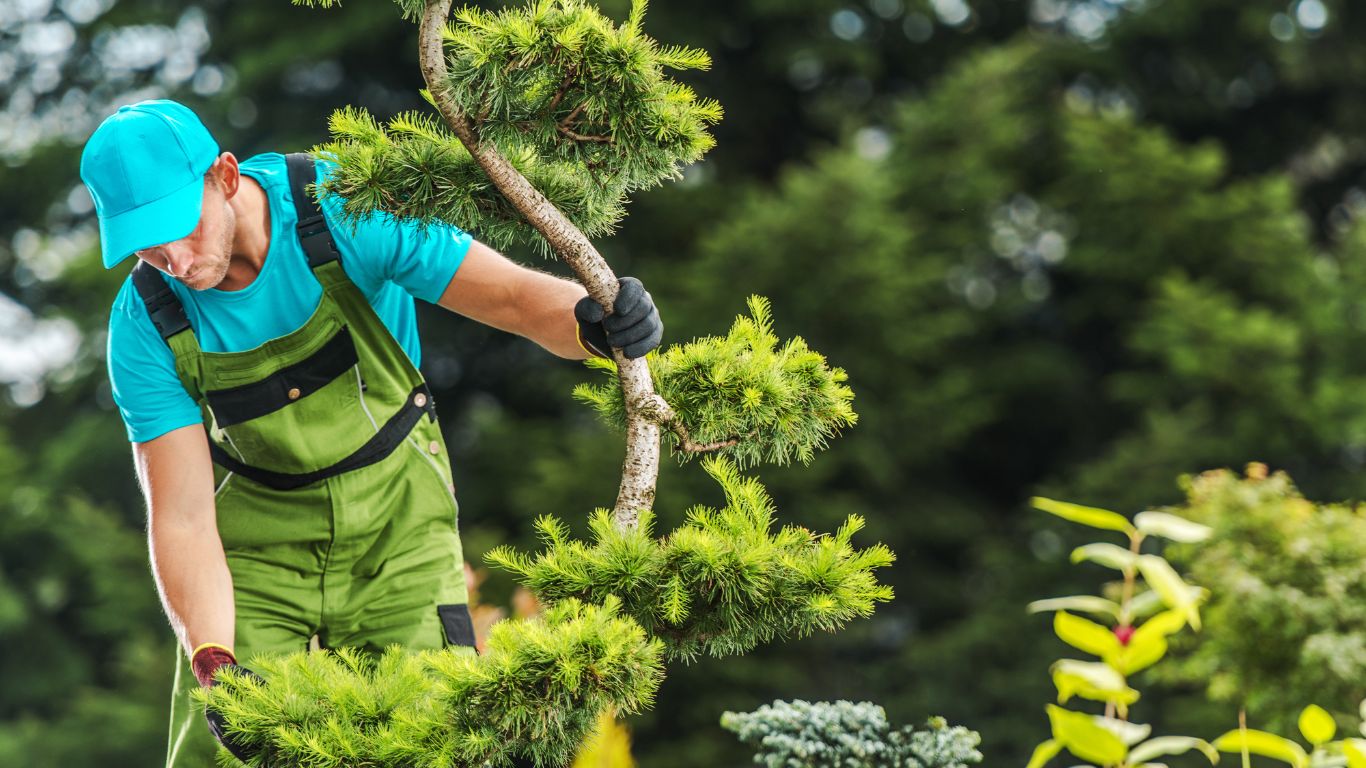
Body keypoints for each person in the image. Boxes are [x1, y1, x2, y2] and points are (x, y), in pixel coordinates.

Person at [79, 99, 662, 767]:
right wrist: (213, 660)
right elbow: (181, 518)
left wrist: (595, 322)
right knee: (225, 748)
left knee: (439, 739)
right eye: (148, 246)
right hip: (261, 561)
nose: (175, 260)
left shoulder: (343, 206)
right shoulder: (145, 323)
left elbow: (511, 298)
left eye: (181, 228)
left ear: (227, 177)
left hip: (400, 530)